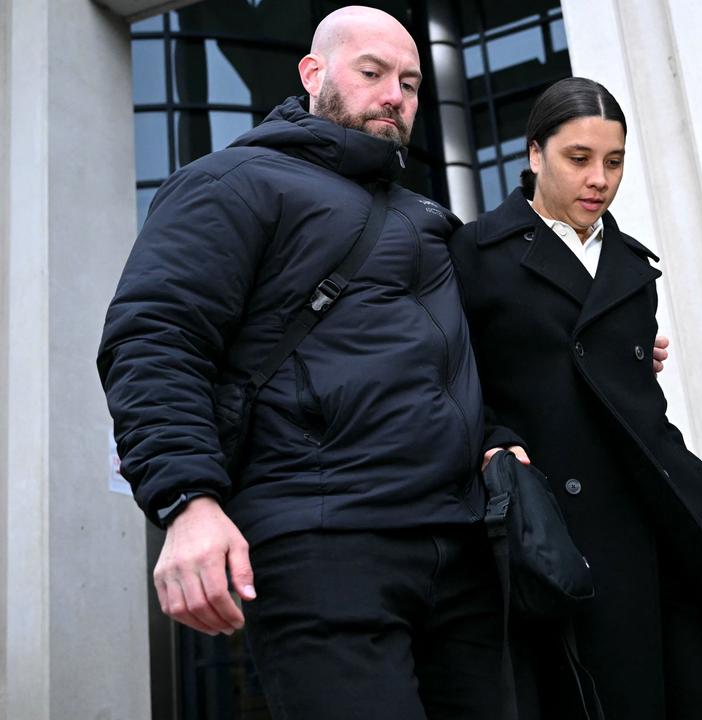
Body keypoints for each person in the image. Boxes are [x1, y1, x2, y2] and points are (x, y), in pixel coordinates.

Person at [97, 8, 516, 718]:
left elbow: (497, 340)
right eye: (373, 73)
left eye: (411, 83)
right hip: (324, 543)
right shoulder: (232, 182)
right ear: (314, 73)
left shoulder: (427, 218)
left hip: (463, 552)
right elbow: (155, 339)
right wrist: (187, 502)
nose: (395, 96)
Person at [448, 77, 702, 720]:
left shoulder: (633, 267)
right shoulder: (475, 254)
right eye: (578, 158)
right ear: (534, 155)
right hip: (563, 532)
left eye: (614, 162)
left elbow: (632, 390)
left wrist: (692, 483)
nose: (599, 180)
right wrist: (493, 439)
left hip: (660, 514)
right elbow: (456, 376)